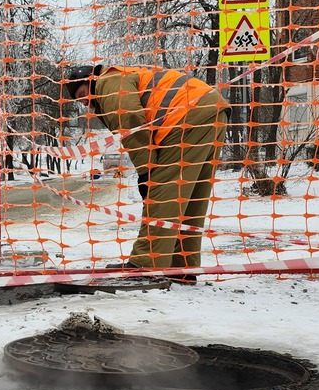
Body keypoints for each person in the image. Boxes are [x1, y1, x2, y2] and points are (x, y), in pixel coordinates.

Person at [63, 63, 229, 282]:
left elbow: (131, 120)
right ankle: (182, 266)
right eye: (78, 100)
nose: (83, 102)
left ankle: (146, 263)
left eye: (83, 94)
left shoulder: (107, 83)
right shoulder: (125, 76)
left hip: (186, 116)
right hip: (211, 109)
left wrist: (146, 171)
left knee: (164, 193)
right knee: (192, 197)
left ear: (91, 80)